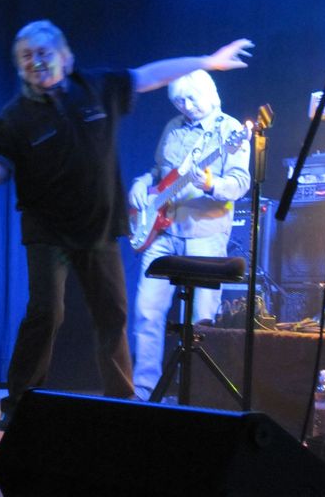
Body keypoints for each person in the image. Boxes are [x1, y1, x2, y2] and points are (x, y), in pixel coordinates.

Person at [0, 19, 253, 429]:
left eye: (43, 53)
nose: (36, 61)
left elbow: (148, 76)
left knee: (113, 315)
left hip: (100, 227)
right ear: (19, 66)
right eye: (26, 56)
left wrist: (207, 61)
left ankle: (122, 401)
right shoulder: (16, 116)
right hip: (47, 232)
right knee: (46, 313)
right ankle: (19, 403)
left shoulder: (96, 87)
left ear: (65, 57)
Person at [129, 69, 251, 401]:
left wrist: (210, 184)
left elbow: (240, 182)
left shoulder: (231, 131)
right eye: (178, 101)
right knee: (146, 312)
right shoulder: (172, 127)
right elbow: (159, 172)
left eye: (190, 99)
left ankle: (194, 396)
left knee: (201, 323)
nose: (185, 106)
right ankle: (144, 392)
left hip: (205, 235)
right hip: (163, 233)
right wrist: (142, 183)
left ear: (209, 93)